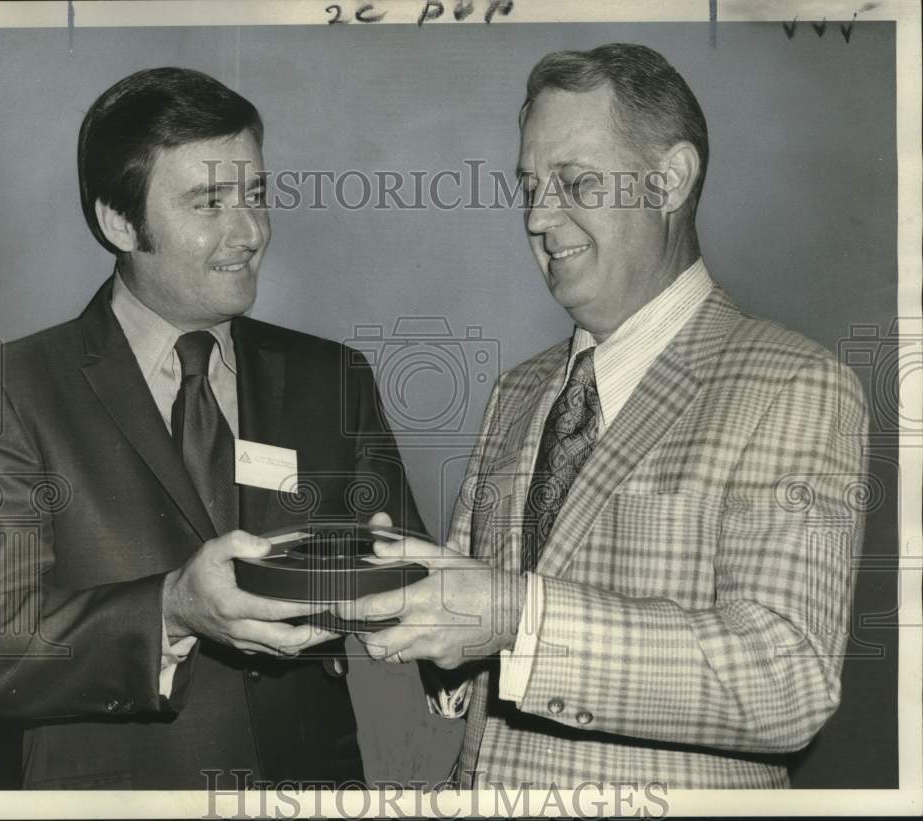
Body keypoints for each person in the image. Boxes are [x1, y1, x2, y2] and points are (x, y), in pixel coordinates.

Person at [338, 44, 870, 789]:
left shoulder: (795, 385)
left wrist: (514, 616)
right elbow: (476, 651)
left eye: (576, 182)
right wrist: (404, 604)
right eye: (528, 186)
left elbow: (785, 680)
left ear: (670, 180)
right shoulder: (518, 392)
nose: (538, 216)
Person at [0, 67, 423, 790]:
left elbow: (408, 581)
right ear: (118, 220)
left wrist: (399, 594)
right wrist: (170, 608)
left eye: (256, 195)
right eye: (210, 201)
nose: (251, 232)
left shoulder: (336, 378)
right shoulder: (12, 390)